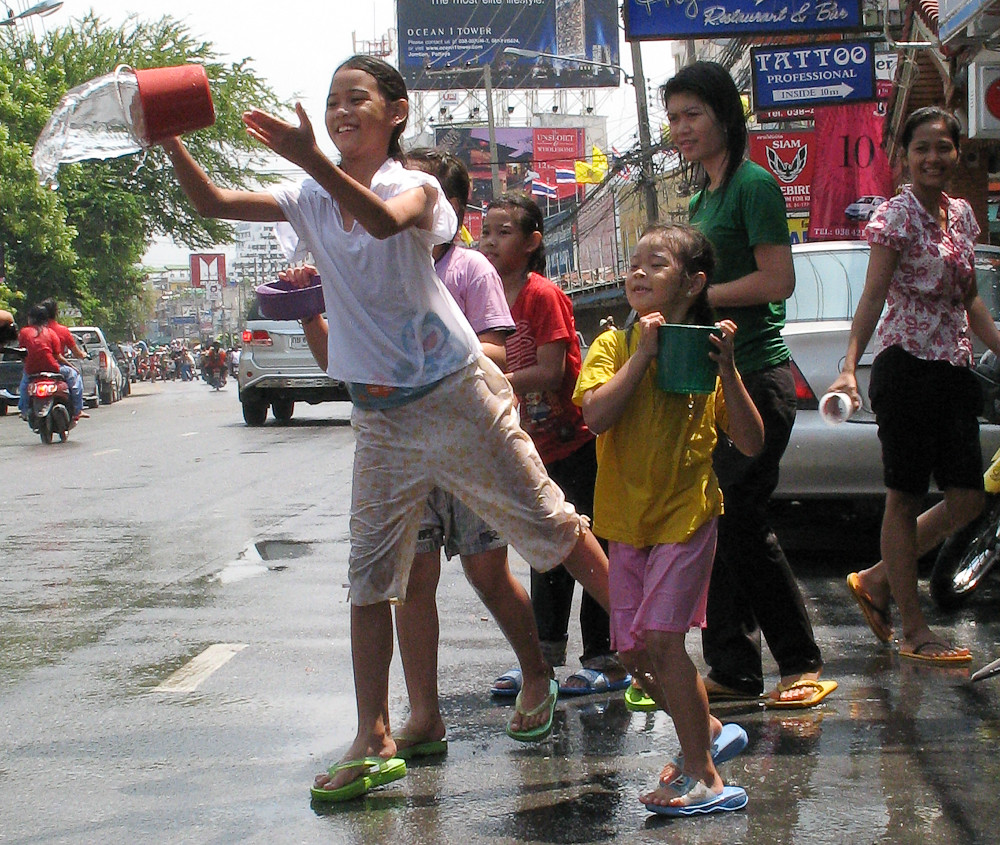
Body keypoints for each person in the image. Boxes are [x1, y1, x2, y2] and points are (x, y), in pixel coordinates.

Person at [162, 54, 610, 802]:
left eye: (357, 99)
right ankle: (372, 733)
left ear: (395, 112)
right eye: (332, 99)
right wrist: (167, 134)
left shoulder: (417, 186)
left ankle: (656, 651)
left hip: (457, 394)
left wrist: (312, 160)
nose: (341, 111)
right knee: (370, 579)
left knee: (556, 531)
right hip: (381, 415)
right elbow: (211, 203)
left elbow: (379, 220)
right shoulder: (308, 193)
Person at [287, 146, 552, 759]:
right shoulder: (359, 270)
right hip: (396, 444)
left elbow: (492, 353)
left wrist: (435, 361)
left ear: (444, 209)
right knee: (411, 579)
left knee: (489, 571)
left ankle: (537, 671)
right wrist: (308, 313)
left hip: (462, 435)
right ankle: (424, 713)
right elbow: (342, 367)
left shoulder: (467, 271)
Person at [574, 223, 763, 815]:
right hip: (627, 522)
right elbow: (597, 417)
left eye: (654, 264)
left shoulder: (709, 351)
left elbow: (752, 442)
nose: (636, 273)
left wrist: (728, 370)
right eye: (633, 263)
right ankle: (703, 729)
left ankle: (706, 776)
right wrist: (643, 359)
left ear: (692, 281)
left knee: (662, 639)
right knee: (633, 653)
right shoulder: (612, 346)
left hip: (687, 515)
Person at [661, 61, 831, 707]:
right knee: (715, 520)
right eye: (673, 118)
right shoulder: (703, 198)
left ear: (724, 115)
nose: (680, 129)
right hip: (715, 381)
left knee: (741, 520)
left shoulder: (754, 185)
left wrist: (698, 298)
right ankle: (732, 668)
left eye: (692, 115)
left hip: (759, 377)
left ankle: (800, 660)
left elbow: (777, 280)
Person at [832, 107, 1000, 663]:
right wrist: (849, 366)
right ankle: (913, 628)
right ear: (903, 156)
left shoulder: (962, 217)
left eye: (943, 147)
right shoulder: (895, 218)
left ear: (957, 152)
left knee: (969, 499)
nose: (933, 158)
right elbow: (874, 296)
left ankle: (877, 579)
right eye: (921, 148)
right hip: (905, 369)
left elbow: (969, 297)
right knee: (903, 498)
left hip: (952, 370)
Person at [480, 192, 628, 696]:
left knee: (585, 545)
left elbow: (552, 370)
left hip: (573, 442)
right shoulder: (487, 296)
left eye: (504, 231)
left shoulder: (541, 295)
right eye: (486, 231)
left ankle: (605, 659)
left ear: (532, 242)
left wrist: (490, 381)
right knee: (546, 550)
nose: (491, 241)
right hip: (530, 445)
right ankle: (540, 660)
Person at [17, 299, 85, 421]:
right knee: (74, 377)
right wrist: (72, 367)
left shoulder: (24, 332)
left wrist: (27, 363)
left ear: (31, 319)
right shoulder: (53, 333)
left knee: (24, 384)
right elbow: (58, 356)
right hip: (53, 368)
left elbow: (22, 352)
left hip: (31, 370)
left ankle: (23, 410)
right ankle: (77, 409)